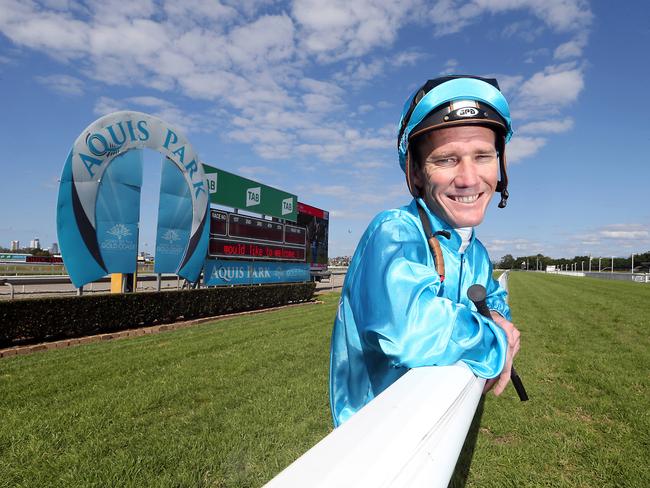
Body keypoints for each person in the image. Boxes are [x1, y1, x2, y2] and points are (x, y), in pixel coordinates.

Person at [329, 75, 521, 427]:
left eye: (482, 156)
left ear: (500, 165)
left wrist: (496, 317)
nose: (468, 178)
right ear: (416, 173)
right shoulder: (393, 231)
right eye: (447, 160)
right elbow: (410, 330)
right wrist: (496, 340)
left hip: (431, 430)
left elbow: (493, 300)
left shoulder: (476, 252)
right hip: (377, 443)